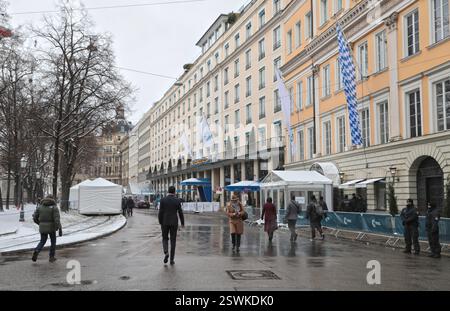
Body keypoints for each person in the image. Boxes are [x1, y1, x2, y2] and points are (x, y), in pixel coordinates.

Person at [158, 186, 185, 265]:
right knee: (173, 241)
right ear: (174, 192)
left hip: (164, 222)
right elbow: (180, 212)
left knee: (165, 238)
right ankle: (172, 260)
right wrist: (182, 223)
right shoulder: (177, 200)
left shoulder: (163, 200)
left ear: (168, 191)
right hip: (174, 222)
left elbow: (160, 212)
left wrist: (160, 221)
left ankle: (166, 252)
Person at [32, 195, 61, 263]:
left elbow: (35, 218)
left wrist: (40, 223)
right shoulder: (54, 207)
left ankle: (36, 250)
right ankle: (51, 257)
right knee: (53, 242)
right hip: (52, 227)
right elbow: (57, 219)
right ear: (52, 199)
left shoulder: (40, 207)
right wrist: (57, 227)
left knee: (42, 241)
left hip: (42, 227)